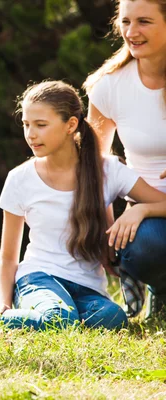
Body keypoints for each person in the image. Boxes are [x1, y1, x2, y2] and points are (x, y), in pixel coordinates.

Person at [0, 81, 166, 331]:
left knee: (113, 320)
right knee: (59, 317)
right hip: (38, 277)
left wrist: (140, 209)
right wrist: (3, 303)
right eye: (26, 125)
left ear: (71, 125)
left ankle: (50, 320)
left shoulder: (108, 170)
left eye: (41, 125)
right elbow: (7, 256)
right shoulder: (20, 178)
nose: (30, 134)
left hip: (88, 287)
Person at [84, 0, 166, 319]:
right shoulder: (109, 86)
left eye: (144, 21)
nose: (132, 32)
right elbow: (96, 170)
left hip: (148, 210)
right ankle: (161, 289)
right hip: (152, 224)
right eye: (126, 21)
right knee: (141, 245)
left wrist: (144, 208)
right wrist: (106, 233)